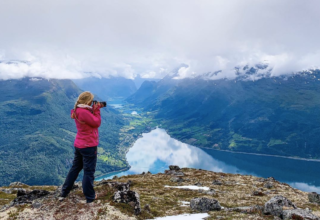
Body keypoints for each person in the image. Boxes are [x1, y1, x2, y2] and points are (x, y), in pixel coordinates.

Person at [59, 91, 102, 203]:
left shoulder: (78, 110)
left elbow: (87, 120)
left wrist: (92, 109)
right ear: (88, 101)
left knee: (75, 168)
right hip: (88, 145)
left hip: (79, 144)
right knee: (89, 172)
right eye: (91, 101)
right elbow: (96, 123)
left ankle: (64, 192)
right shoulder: (84, 112)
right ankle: (90, 197)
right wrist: (96, 110)